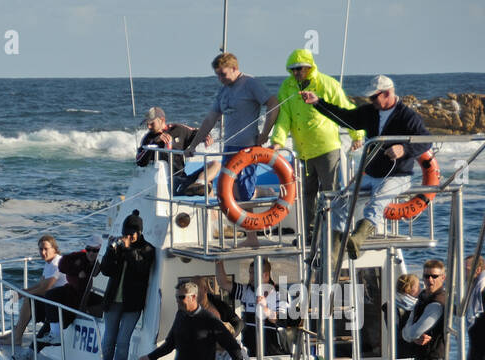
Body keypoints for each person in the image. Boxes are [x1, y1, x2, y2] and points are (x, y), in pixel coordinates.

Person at [300, 75, 430, 259]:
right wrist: (317, 103)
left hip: (398, 176)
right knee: (340, 201)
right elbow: (344, 118)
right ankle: (334, 253)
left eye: (374, 97)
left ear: (387, 93)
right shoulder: (369, 111)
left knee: (377, 203)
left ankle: (357, 239)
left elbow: (426, 141)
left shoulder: (408, 116)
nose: (371, 101)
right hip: (370, 174)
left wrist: (404, 148)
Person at [268, 49, 363, 244]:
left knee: (332, 193)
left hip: (326, 148)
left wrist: (357, 134)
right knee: (307, 195)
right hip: (302, 151)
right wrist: (277, 142)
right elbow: (284, 118)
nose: (296, 73)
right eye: (293, 70)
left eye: (300, 69)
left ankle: (336, 235)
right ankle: (310, 236)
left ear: (309, 67)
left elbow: (345, 109)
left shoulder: (327, 84)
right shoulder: (287, 88)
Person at [184, 53, 279, 204]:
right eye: (217, 75)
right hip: (229, 148)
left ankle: (263, 191)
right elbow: (210, 119)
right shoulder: (223, 90)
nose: (220, 79)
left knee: (245, 194)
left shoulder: (250, 83)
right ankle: (236, 224)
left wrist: (265, 133)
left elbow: (273, 103)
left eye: (223, 74)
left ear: (234, 68)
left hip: (248, 148)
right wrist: (193, 145)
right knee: (227, 190)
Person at [95, 211, 156, 360]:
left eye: (132, 233)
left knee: (123, 342)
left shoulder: (147, 249)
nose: (129, 236)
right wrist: (110, 250)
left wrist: (128, 248)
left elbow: (140, 269)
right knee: (108, 341)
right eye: (126, 233)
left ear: (139, 232)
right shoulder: (119, 247)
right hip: (113, 300)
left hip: (132, 304)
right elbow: (105, 270)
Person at [214, 257, 289, 356]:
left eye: (254, 273)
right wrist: (219, 262)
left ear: (266, 275)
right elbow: (223, 283)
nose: (251, 277)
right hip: (250, 353)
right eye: (250, 273)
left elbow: (278, 318)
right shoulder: (247, 291)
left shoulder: (280, 293)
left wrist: (265, 308)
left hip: (273, 353)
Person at [136, 107, 219, 196]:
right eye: (147, 124)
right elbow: (139, 161)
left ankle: (198, 184)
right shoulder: (148, 138)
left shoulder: (178, 129)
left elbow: (196, 132)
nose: (149, 127)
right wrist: (154, 142)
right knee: (207, 187)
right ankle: (198, 188)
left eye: (152, 123)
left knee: (215, 165)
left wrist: (206, 136)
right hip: (170, 183)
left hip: (183, 178)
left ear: (162, 120)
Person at [7, 235, 66, 360]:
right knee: (29, 296)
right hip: (51, 301)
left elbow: (46, 288)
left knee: (30, 299)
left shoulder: (57, 264)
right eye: (40, 249)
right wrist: (22, 292)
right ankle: (17, 332)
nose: (43, 252)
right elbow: (41, 284)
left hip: (58, 305)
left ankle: (17, 336)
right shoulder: (49, 262)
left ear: (54, 248)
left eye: (46, 249)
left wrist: (25, 295)